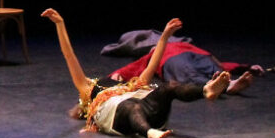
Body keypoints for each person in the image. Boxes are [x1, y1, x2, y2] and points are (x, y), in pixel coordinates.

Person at [41, 8, 230, 138]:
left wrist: (164, 36)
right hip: (123, 117)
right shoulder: (91, 91)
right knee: (131, 106)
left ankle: (206, 90)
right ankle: (150, 134)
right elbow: (69, 55)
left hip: (151, 113)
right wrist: (60, 24)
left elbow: (152, 66)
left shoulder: (133, 86)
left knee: (169, 86)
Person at [109, 41, 262, 95]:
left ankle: (226, 85)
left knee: (195, 74)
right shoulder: (158, 52)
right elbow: (135, 67)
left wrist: (115, 75)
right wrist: (246, 67)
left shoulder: (157, 52)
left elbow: (135, 67)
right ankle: (228, 84)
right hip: (197, 57)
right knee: (209, 70)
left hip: (183, 59)